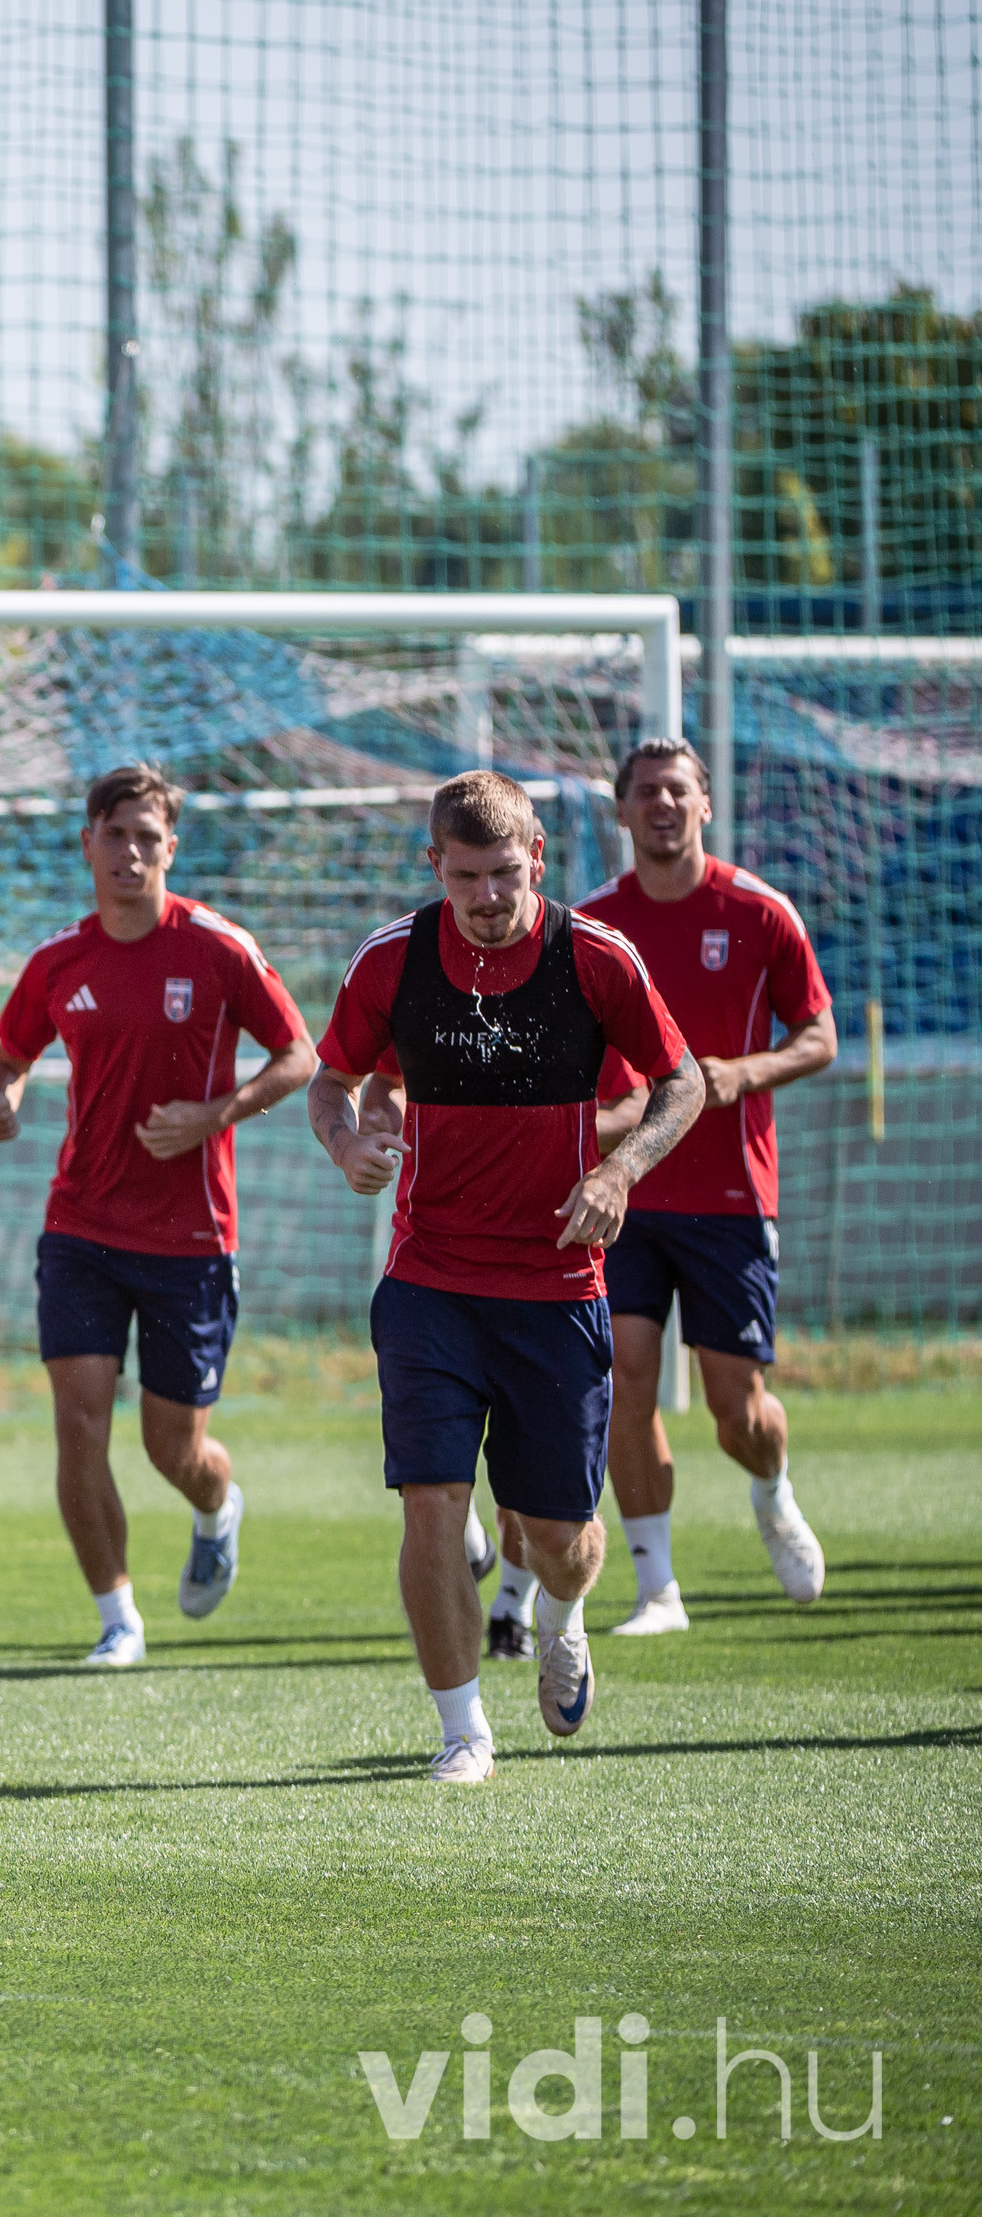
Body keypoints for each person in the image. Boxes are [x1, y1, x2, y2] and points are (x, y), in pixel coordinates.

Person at [305, 771, 698, 1784]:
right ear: (435, 865)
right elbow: (329, 1078)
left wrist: (618, 1170)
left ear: (537, 856)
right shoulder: (390, 959)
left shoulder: (594, 957)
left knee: (561, 1538)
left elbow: (681, 1080)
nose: (485, 896)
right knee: (430, 1503)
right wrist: (347, 1142)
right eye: (465, 875)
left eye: (503, 872)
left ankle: (562, 1617)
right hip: (428, 1280)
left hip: (556, 1289)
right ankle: (462, 1731)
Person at [0, 763, 314, 1666]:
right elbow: (6, 1063)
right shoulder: (58, 960)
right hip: (80, 1228)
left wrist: (216, 1114)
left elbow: (299, 1055)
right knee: (78, 1421)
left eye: (147, 837)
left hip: (190, 1238)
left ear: (172, 847)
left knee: (174, 1449)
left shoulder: (217, 947)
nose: (130, 851)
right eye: (115, 834)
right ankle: (117, 1617)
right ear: (88, 843)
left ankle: (217, 1505)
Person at [581, 737, 838, 1630]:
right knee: (625, 1375)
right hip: (626, 1191)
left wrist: (745, 1072)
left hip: (731, 1194)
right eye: (646, 791)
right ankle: (657, 1587)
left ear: (705, 804)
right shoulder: (592, 925)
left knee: (737, 1408)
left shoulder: (760, 912)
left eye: (677, 790)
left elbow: (820, 1034)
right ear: (622, 811)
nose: (662, 803)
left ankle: (771, 1488)